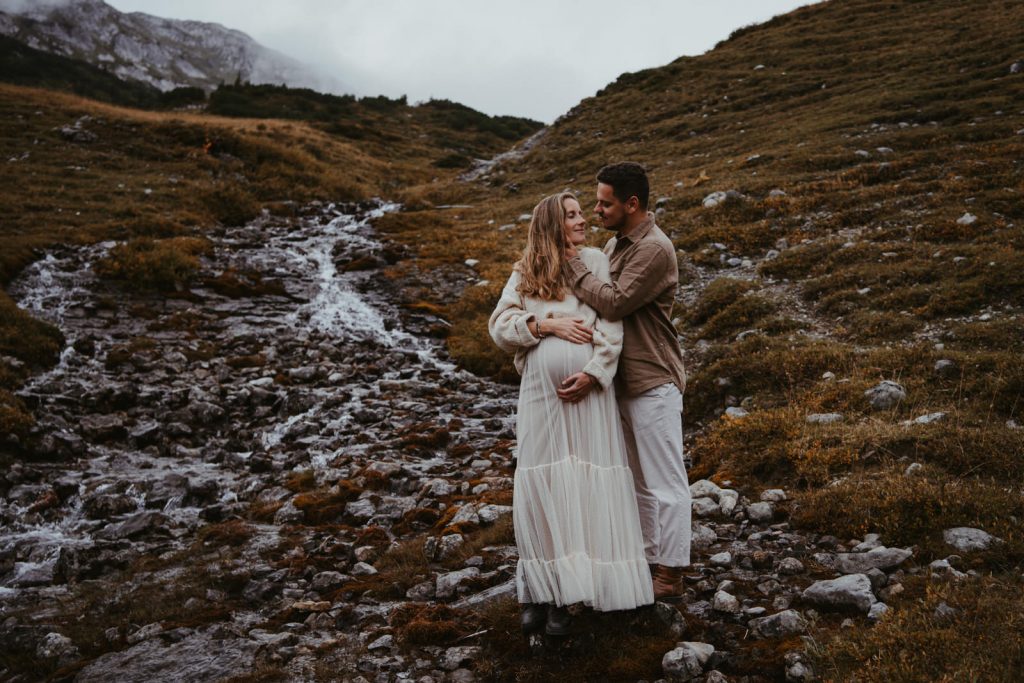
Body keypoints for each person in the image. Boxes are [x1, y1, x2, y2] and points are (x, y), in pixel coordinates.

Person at [489, 191, 654, 636]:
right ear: (552, 224)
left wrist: (595, 372)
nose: (584, 220)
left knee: (582, 485)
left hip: (587, 395)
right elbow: (499, 326)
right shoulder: (525, 270)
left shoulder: (597, 262)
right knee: (541, 481)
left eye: (583, 212)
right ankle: (537, 591)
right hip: (541, 398)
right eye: (573, 215)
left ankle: (567, 594)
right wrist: (543, 325)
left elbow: (611, 326)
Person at [564, 162, 691, 600]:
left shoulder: (654, 249)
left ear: (631, 203)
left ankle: (671, 574)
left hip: (653, 381)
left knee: (666, 484)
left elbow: (614, 304)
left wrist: (573, 269)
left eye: (605, 202)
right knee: (637, 483)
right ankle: (648, 561)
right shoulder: (616, 245)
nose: (595, 210)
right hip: (623, 382)